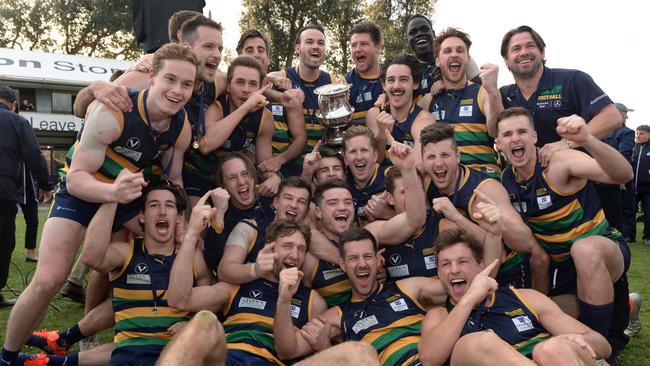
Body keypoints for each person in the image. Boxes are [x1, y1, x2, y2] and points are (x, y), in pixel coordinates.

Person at [0, 44, 196, 366]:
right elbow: (77, 177)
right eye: (170, 80)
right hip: (83, 192)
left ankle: (68, 338)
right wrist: (111, 192)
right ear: (151, 76)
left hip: (126, 197)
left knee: (156, 267)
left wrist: (183, 225)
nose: (177, 91)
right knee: (49, 278)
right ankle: (8, 357)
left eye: (186, 84)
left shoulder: (181, 126)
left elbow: (174, 180)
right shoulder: (115, 111)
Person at [273, 203, 502, 365]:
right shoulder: (337, 316)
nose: (362, 264)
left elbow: (472, 282)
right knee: (358, 352)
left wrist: (493, 235)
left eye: (368, 257)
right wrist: (284, 299)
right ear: (343, 265)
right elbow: (287, 350)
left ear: (379, 259)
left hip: (431, 360)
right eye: (353, 259)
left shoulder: (408, 289)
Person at [498, 108, 632, 342]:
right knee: (547, 329)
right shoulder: (506, 180)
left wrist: (587, 140)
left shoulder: (559, 162)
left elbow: (623, 175)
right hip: (563, 271)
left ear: (534, 137)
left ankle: (596, 352)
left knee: (584, 250)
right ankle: (631, 305)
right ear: (499, 143)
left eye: (522, 131)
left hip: (604, 249)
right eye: (508, 134)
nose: (515, 139)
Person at [418, 229, 611, 366]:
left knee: (552, 350)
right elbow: (429, 359)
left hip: (557, 360)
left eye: (462, 262)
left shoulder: (523, 297)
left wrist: (573, 341)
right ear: (438, 272)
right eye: (445, 264)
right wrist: (469, 299)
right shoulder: (439, 316)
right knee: (477, 343)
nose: (453, 270)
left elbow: (601, 343)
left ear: (480, 267)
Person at [420, 123, 549, 292]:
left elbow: (502, 253)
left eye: (445, 155)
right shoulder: (426, 182)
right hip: (464, 272)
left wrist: (456, 217)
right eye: (431, 157)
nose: (438, 163)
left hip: (507, 273)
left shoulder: (485, 190)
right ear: (422, 160)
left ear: (458, 156)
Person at [419, 27, 503, 178]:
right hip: (443, 180)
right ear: (438, 61)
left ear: (468, 59)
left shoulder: (483, 92)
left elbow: (497, 131)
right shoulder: (427, 101)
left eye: (460, 50)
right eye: (447, 51)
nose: (454, 55)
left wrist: (493, 91)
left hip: (482, 179)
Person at [0, 86, 51, 308]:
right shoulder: (16, 121)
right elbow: (34, 155)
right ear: (13, 104)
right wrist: (46, 184)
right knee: (3, 242)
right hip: (2, 192)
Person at [267, 24, 338, 176]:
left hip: (319, 169)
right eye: (310, 42)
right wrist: (268, 78)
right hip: (285, 169)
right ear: (297, 48)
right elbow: (245, 80)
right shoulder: (281, 77)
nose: (316, 46)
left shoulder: (332, 82)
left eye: (321, 43)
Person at [365, 53, 434, 166]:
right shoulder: (374, 114)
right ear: (384, 85)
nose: (396, 86)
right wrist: (382, 135)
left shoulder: (424, 121)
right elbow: (373, 164)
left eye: (403, 79)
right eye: (391, 80)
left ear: (415, 83)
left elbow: (418, 167)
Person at [405, 14, 479, 97]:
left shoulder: (458, 58)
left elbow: (481, 89)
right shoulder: (406, 69)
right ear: (407, 40)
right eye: (413, 32)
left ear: (433, 34)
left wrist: (449, 83)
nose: (419, 34)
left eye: (424, 29)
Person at [346, 20, 384, 125]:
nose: (357, 49)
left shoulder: (393, 77)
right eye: (354, 45)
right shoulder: (344, 84)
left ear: (378, 48)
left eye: (364, 44)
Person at [613, 103, 637, 242]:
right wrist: (620, 179)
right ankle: (627, 235)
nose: (627, 116)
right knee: (627, 208)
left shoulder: (600, 132)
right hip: (620, 176)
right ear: (620, 113)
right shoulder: (626, 132)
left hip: (601, 175)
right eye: (626, 113)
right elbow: (624, 155)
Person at [632, 124, 650, 245]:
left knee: (648, 213)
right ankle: (629, 236)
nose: (638, 136)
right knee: (629, 213)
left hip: (648, 188)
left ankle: (647, 237)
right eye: (637, 133)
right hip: (632, 187)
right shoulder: (632, 147)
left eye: (641, 133)